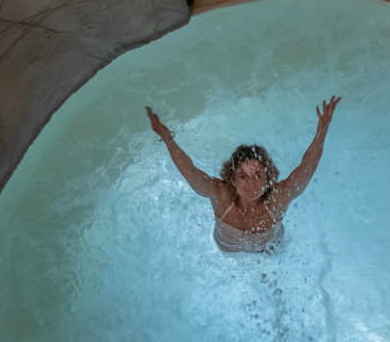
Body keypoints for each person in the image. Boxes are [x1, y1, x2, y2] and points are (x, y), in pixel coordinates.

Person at [145, 96, 341, 253]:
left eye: (258, 176)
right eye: (243, 176)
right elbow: (192, 173)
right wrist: (168, 139)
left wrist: (321, 131)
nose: (251, 184)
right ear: (232, 178)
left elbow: (305, 170)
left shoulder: (277, 199)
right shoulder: (221, 196)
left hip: (270, 249)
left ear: (268, 178)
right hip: (228, 250)